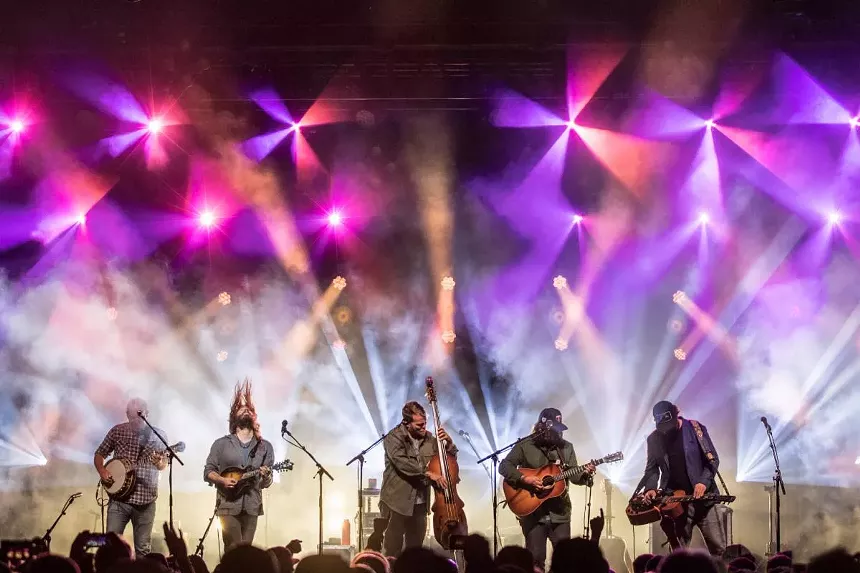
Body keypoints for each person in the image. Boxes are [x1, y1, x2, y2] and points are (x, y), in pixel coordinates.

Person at [499, 408, 596, 572]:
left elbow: (573, 476)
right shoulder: (525, 445)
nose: (558, 433)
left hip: (560, 513)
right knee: (536, 562)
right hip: (533, 514)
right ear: (543, 426)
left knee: (566, 563)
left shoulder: (566, 448)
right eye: (555, 428)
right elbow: (504, 466)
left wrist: (585, 475)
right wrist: (524, 479)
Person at [638, 400, 726, 557]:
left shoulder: (695, 428)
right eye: (662, 428)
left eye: (669, 427)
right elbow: (652, 469)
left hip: (705, 501)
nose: (666, 432)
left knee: (718, 550)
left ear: (676, 415)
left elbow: (712, 460)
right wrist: (650, 489)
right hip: (676, 503)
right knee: (678, 553)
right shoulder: (654, 439)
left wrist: (703, 483)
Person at [379, 400, 456, 557]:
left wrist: (449, 443)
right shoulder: (393, 438)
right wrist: (428, 473)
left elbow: (448, 461)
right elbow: (403, 463)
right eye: (419, 425)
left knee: (414, 553)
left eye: (425, 423)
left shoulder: (429, 439)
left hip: (420, 504)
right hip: (396, 502)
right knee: (392, 551)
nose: (424, 428)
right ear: (406, 423)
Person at [204, 379, 274, 550]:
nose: (245, 411)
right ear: (234, 416)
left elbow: (265, 484)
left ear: (254, 416)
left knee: (246, 552)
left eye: (248, 409)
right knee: (233, 549)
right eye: (240, 409)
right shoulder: (221, 444)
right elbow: (208, 471)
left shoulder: (265, 447)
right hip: (227, 505)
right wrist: (222, 480)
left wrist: (267, 476)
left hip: (252, 506)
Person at [94, 398, 169, 556]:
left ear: (147, 414)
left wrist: (160, 462)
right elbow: (100, 453)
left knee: (143, 549)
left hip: (145, 501)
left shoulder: (159, 435)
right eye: (132, 416)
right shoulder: (118, 431)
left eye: (139, 416)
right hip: (119, 501)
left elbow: (164, 465)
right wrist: (102, 471)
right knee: (110, 546)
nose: (135, 421)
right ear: (127, 415)